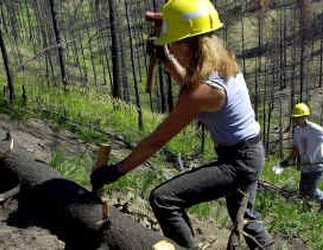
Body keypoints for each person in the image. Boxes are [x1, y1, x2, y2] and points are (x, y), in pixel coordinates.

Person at [90, 0, 273, 248]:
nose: (173, 50)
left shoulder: (202, 91)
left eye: (174, 44)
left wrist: (117, 170)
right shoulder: (220, 59)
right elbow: (191, 81)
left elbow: (157, 140)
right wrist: (166, 49)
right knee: (247, 219)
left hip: (239, 162)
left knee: (164, 199)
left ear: (191, 45)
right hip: (250, 152)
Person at [278, 103, 323, 211]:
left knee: (311, 190)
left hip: (318, 166)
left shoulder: (315, 129)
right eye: (295, 118)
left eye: (298, 117)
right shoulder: (297, 130)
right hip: (305, 166)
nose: (296, 120)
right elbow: (296, 148)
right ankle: (307, 211)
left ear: (305, 117)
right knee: (303, 192)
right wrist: (288, 160)